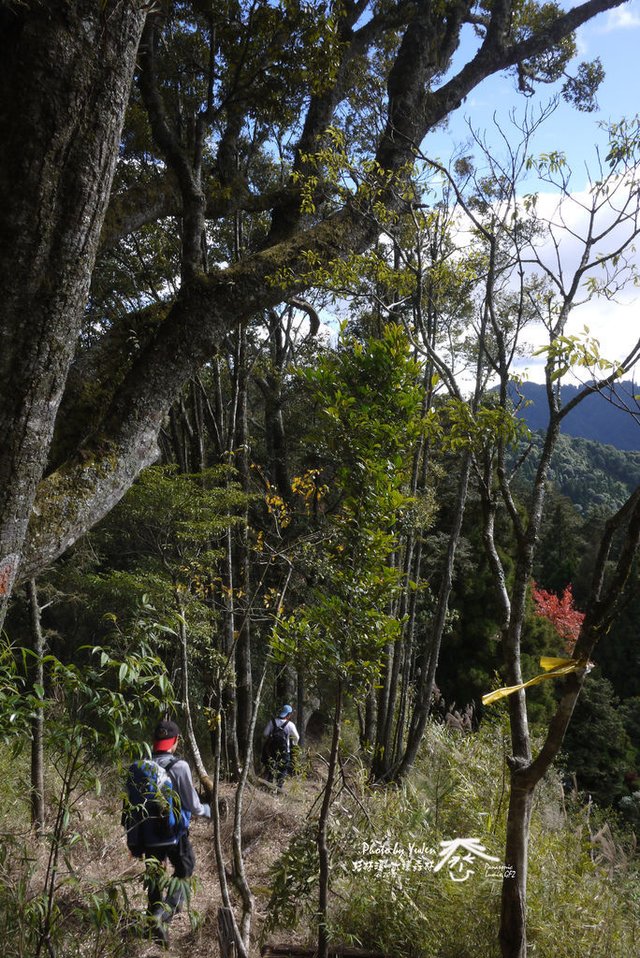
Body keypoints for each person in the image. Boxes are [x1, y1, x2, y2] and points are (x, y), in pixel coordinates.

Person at [124, 718, 211, 946]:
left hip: (146, 836)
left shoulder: (140, 766)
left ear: (154, 742)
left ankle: (154, 922)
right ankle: (161, 918)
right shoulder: (179, 767)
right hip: (173, 834)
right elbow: (194, 806)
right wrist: (209, 810)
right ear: (175, 742)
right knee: (185, 868)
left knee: (154, 875)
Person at [262, 704, 300, 789]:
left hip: (272, 750)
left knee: (271, 767)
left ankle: (269, 786)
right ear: (288, 714)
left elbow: (265, 734)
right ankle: (279, 787)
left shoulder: (272, 722)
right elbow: (297, 737)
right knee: (283, 769)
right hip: (285, 751)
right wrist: (294, 744)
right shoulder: (290, 725)